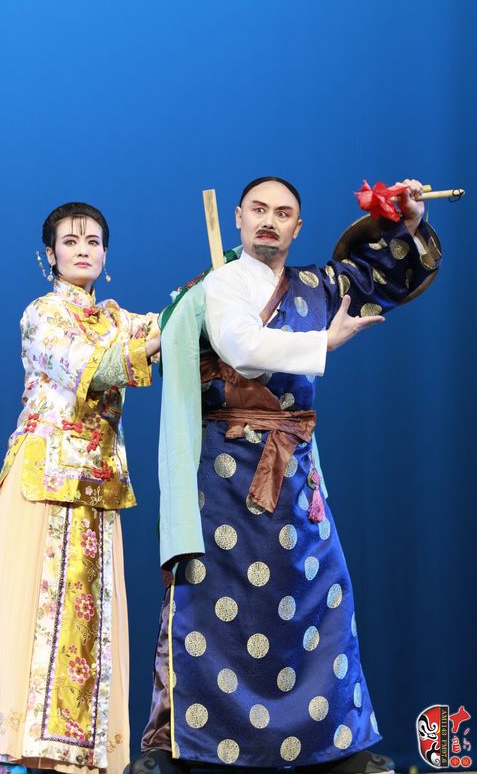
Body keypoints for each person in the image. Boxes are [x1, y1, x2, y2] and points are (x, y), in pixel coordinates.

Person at [127, 177, 442, 774]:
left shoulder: (317, 287)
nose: (269, 220)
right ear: (239, 218)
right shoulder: (218, 284)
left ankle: (333, 747)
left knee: (321, 599)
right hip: (223, 477)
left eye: (284, 212)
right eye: (259, 209)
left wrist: (407, 221)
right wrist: (325, 342)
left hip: (295, 476)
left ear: (299, 227)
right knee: (207, 604)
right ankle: (186, 749)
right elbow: (241, 346)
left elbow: (385, 277)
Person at [0, 202, 160, 774]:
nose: (83, 249)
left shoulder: (116, 318)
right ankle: (29, 751)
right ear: (50, 255)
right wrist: (155, 339)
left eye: (94, 241)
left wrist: (219, 287)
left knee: (91, 623)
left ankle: (84, 755)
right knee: (38, 616)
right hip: (44, 482)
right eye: (71, 240)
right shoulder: (44, 314)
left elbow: (175, 323)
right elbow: (94, 367)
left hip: (96, 484)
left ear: (106, 255)